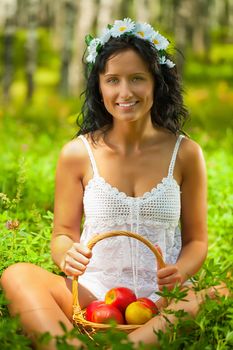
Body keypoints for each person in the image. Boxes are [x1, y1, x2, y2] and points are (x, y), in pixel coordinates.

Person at [0, 18, 229, 349]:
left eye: (137, 78)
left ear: (156, 83)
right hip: (94, 294)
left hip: (163, 299)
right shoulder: (78, 153)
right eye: (113, 80)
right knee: (16, 274)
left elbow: (197, 241)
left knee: (222, 292)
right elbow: (63, 233)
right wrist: (67, 256)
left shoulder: (186, 153)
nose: (125, 92)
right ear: (100, 87)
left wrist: (180, 270)